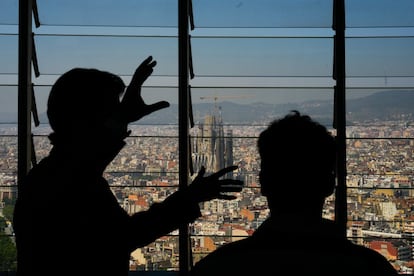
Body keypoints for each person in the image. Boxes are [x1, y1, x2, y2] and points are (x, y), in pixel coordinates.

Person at [13, 56, 243, 276]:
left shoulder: (56, 174)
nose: (120, 124)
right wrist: (189, 198)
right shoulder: (67, 183)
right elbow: (122, 237)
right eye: (111, 112)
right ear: (86, 121)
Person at [190, 110, 399, 276]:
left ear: (263, 183)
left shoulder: (221, 266)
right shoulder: (371, 268)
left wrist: (188, 198)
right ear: (329, 184)